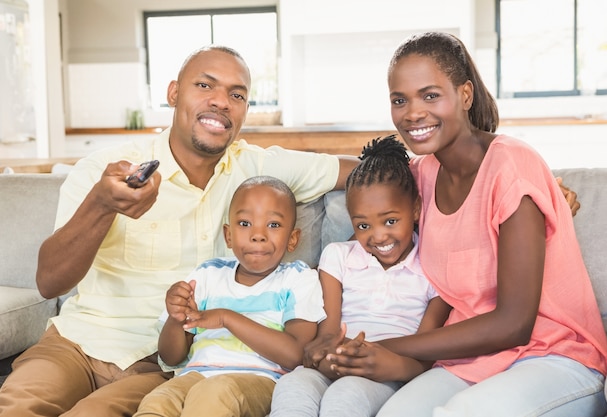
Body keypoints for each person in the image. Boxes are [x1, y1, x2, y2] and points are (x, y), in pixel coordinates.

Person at [0, 45, 358, 417]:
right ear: (173, 93)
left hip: (163, 361)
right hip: (76, 342)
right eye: (205, 85)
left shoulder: (259, 167)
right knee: (17, 408)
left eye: (237, 94)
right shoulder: (105, 168)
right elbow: (49, 283)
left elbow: (364, 173)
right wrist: (101, 206)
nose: (221, 101)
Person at [324, 32, 607, 417]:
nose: (413, 112)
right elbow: (372, 200)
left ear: (464, 95)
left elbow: (515, 324)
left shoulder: (511, 164)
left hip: (555, 355)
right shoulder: (421, 176)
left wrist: (391, 346)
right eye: (399, 100)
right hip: (471, 359)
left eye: (430, 95)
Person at [270, 135, 450, 417]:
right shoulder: (338, 256)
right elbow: (328, 333)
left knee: (346, 395)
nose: (378, 236)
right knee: (293, 385)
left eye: (390, 221)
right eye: (363, 225)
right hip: (339, 361)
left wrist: (394, 366)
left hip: (390, 371)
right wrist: (324, 354)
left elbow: (427, 353)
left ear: (415, 209)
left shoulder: (434, 266)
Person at [134, 175, 326, 417]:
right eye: (245, 224)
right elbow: (171, 357)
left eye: (273, 225)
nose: (258, 235)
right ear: (228, 235)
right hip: (194, 375)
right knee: (158, 400)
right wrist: (176, 317)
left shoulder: (297, 278)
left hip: (261, 380)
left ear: (293, 239)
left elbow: (295, 355)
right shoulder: (207, 274)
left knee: (215, 393)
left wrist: (226, 318)